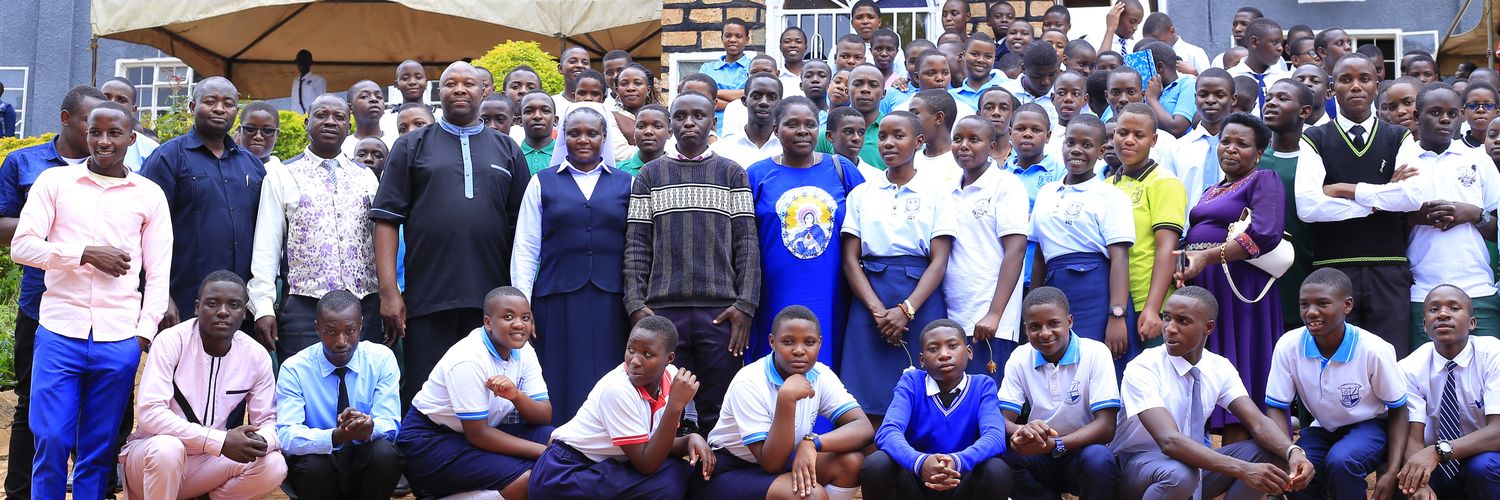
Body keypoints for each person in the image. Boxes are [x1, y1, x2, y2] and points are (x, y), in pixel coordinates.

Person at [11, 100, 169, 499]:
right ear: (85, 134)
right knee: (49, 439)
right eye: (95, 131)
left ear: (131, 139)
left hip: (118, 338)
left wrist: (143, 335)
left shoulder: (149, 195)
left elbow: (159, 272)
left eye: (114, 133)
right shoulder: (55, 183)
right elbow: (22, 247)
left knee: (99, 450)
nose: (103, 140)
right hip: (59, 330)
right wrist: (82, 252)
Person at [371, 61, 532, 407]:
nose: (459, 89)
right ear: (438, 93)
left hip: (491, 303)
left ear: (484, 91)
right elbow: (385, 220)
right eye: (450, 84)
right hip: (428, 298)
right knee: (427, 397)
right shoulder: (411, 146)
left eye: (468, 83)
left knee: (488, 398)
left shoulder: (507, 150)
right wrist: (389, 292)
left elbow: (524, 230)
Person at [625, 91, 762, 432]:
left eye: (698, 115)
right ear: (670, 126)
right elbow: (636, 246)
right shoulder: (649, 175)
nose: (689, 122)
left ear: (712, 123)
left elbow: (747, 243)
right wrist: (635, 305)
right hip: (662, 312)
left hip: (720, 314)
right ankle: (669, 476)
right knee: (662, 405)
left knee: (719, 402)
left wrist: (745, 305)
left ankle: (715, 476)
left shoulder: (733, 174)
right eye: (680, 116)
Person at [1112, 286, 1316, 499]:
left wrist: (1293, 452)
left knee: (1272, 451)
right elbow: (1169, 440)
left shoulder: (1219, 367)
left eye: (1183, 321)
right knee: (1179, 475)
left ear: (1208, 327)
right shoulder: (1143, 366)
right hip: (1136, 469)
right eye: (1167, 318)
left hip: (1190, 468)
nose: (1170, 328)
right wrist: (1243, 469)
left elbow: (1258, 422)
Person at [0, 84, 103, 499]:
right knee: (31, 404)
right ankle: (21, 491)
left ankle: (91, 488)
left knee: (93, 409)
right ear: (65, 119)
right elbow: (5, 229)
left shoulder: (110, 168)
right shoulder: (24, 163)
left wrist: (46, 235)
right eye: (89, 123)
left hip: (97, 307)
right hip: (39, 304)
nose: (99, 133)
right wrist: (55, 224)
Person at [510, 107, 631, 423]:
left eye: (592, 133)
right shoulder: (542, 182)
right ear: (563, 137)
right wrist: (524, 307)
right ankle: (559, 447)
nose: (583, 139)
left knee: (610, 373)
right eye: (574, 133)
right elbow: (526, 248)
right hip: (556, 297)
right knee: (560, 376)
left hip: (611, 298)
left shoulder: (626, 183)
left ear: (604, 138)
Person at [119, 272, 285, 500]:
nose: (223, 311)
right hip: (152, 458)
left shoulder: (255, 355)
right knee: (168, 449)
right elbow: (150, 413)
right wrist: (219, 440)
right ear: (197, 307)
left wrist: (260, 440)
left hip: (207, 465)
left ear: (244, 312)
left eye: (234, 305)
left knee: (273, 464)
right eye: (213, 303)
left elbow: (269, 421)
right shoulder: (171, 341)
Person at [1173, 112, 1286, 443]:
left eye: (1242, 144)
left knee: (1241, 366)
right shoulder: (1211, 190)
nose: (1231, 149)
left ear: (1259, 152)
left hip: (1240, 289)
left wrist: (1207, 256)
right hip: (1206, 288)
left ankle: (1247, 469)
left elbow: (1266, 233)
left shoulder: (1263, 179)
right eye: (1225, 141)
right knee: (1212, 366)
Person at [1295, 54, 1416, 356]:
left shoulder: (1399, 137)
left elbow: (1411, 198)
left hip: (1389, 267)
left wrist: (1345, 190)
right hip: (1333, 268)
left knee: (1392, 359)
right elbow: (1308, 207)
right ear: (1333, 89)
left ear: (1377, 84)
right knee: (1337, 360)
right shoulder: (1315, 137)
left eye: (1364, 78)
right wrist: (1380, 199)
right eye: (1346, 80)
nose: (1356, 86)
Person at [841, 111, 956, 424]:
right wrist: (879, 311)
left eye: (898, 136)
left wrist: (906, 309)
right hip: (870, 298)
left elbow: (940, 258)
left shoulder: (937, 192)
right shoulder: (863, 193)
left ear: (919, 142)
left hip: (920, 297)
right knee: (867, 394)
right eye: (882, 136)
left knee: (924, 388)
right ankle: (871, 465)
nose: (888, 143)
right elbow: (850, 258)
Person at [249, 94, 383, 361]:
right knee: (305, 390)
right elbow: (267, 245)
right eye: (322, 115)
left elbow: (380, 242)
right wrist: (263, 307)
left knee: (363, 391)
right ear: (307, 123)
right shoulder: (282, 175)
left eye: (339, 117)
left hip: (364, 305)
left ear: (349, 125)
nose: (330, 122)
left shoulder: (366, 177)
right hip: (304, 308)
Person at [692, 306, 872, 500]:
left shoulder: (821, 374)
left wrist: (813, 443)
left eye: (809, 342)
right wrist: (786, 398)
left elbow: (863, 427)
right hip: (727, 471)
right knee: (812, 496)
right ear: (772, 342)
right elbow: (772, 464)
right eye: (787, 342)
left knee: (851, 462)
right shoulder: (749, 381)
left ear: (819, 344)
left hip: (781, 465)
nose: (799, 351)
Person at [1264, 268, 1410, 500]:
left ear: (1347, 305)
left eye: (1323, 303)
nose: (1311, 312)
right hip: (1322, 428)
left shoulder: (1374, 349)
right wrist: (1288, 454)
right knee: (1300, 473)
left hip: (1371, 426)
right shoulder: (1289, 344)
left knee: (1342, 462)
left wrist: (1391, 470)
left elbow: (1399, 408)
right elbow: (1276, 406)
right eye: (1304, 305)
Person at [528, 316, 712, 500]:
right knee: (668, 483)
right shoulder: (617, 389)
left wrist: (689, 439)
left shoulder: (671, 377)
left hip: (606, 464)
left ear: (669, 358)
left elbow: (653, 444)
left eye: (647, 354)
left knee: (679, 471)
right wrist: (675, 406)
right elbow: (646, 464)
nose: (634, 361)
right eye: (631, 350)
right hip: (565, 473)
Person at [396, 287, 553, 499]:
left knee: (557, 440)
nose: (518, 324)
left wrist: (516, 395)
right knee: (530, 477)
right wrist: (543, 453)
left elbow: (543, 415)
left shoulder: (524, 350)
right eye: (508, 316)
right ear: (488, 322)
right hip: (430, 442)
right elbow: (478, 435)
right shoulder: (468, 358)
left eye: (525, 317)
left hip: (478, 433)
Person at [747, 97, 865, 366]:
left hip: (833, 290)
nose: (802, 130)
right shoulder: (756, 174)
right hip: (775, 289)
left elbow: (865, 226)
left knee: (826, 360)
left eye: (809, 124)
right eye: (792, 124)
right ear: (775, 130)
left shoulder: (841, 169)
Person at [142, 76, 265, 327]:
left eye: (228, 103)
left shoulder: (252, 165)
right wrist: (160, 295)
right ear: (191, 107)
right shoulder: (167, 158)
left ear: (237, 112)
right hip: (183, 300)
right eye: (210, 101)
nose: (220, 108)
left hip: (240, 306)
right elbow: (144, 231)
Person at [1030, 115, 1136, 372]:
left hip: (1096, 290)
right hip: (1055, 289)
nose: (1076, 150)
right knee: (1060, 368)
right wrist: (1032, 305)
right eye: (1070, 143)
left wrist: (1117, 315)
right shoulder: (1047, 193)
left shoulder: (1110, 196)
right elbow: (1040, 254)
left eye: (1087, 145)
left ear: (1100, 152)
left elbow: (1120, 258)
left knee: (1099, 366)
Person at [862, 320, 1012, 499]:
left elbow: (995, 437)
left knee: (996, 469)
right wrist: (920, 462)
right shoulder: (911, 383)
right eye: (933, 349)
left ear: (969, 352)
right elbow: (888, 431)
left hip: (961, 478)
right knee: (877, 463)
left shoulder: (982, 386)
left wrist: (957, 462)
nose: (944, 355)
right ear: (922, 360)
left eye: (953, 346)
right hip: (916, 478)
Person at [276, 290, 404, 500]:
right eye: (331, 331)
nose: (341, 341)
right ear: (317, 328)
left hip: (364, 460)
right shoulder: (295, 368)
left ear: (361, 325)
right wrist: (335, 436)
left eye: (350, 330)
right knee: (313, 464)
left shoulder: (381, 359)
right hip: (321, 465)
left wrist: (368, 426)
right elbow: (287, 435)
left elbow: (390, 423)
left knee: (385, 453)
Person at [997, 287, 1120, 499]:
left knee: (1099, 458)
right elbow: (1001, 419)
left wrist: (1057, 444)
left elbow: (1106, 427)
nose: (1044, 333)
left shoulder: (1095, 352)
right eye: (1035, 327)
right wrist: (1024, 431)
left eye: (1053, 323)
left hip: (1081, 450)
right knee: (1002, 457)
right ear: (1026, 329)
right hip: (1039, 452)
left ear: (1069, 321)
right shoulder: (1020, 356)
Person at [1396, 285, 1500, 499]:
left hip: (1488, 454)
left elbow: (1498, 431)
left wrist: (1438, 450)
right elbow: (1414, 437)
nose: (1443, 314)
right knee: (1406, 480)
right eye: (1434, 310)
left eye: (1454, 308)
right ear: (1424, 326)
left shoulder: (1493, 354)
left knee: (1482, 468)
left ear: (1472, 323)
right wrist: (1418, 483)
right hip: (1441, 462)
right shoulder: (1409, 368)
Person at [944, 115, 1028, 378]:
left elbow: (1016, 250)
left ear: (992, 147)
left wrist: (994, 313)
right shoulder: (946, 190)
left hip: (990, 318)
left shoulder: (1006, 185)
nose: (964, 146)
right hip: (952, 312)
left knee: (988, 397)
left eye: (974, 139)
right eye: (957, 139)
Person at [1107, 103, 1186, 355]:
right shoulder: (1105, 186)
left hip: (1148, 301)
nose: (1129, 140)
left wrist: (1153, 308)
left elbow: (1167, 248)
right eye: (1122, 133)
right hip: (1113, 301)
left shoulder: (1164, 183)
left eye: (1139, 135)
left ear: (1153, 140)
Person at [1258, 79, 1320, 336]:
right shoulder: (1255, 158)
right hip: (1260, 275)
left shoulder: (1316, 157)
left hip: (1306, 270)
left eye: (1282, 98)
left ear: (1305, 111)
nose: (1271, 103)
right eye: (1269, 97)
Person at [819, 64, 887, 169]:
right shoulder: (827, 134)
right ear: (847, 91)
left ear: (883, 93)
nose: (865, 89)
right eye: (857, 84)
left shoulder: (892, 132)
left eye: (873, 85)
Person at [713, 73, 785, 167]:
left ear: (781, 103)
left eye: (772, 97)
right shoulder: (721, 150)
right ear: (744, 101)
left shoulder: (789, 149)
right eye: (756, 96)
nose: (764, 102)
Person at [1227, 18, 1290, 117]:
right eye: (1274, 43)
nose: (1280, 48)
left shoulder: (1286, 79)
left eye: (1281, 43)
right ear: (1254, 42)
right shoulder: (1230, 78)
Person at [99, 77, 160, 171]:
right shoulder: (81, 140)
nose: (112, 103)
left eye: (121, 100)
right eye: (106, 97)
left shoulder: (151, 149)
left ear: (133, 110)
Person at [1139, 41, 1198, 138]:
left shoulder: (1188, 84)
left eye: (1143, 67)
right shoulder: (1149, 89)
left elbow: (1177, 128)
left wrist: (1152, 99)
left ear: (1159, 67)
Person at [705, 18, 753, 132]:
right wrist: (741, 101)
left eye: (738, 36)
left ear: (747, 39)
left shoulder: (754, 67)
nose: (732, 40)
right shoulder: (707, 68)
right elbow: (702, 99)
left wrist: (715, 94)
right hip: (712, 132)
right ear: (722, 38)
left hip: (744, 131)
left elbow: (754, 97)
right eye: (728, 35)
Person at [1002, 41, 1061, 128]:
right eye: (1037, 76)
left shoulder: (1063, 97)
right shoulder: (1005, 93)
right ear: (1024, 69)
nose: (1046, 81)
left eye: (1051, 75)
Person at [907, 89, 961, 183]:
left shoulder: (962, 161)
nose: (909, 120)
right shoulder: (910, 160)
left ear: (938, 118)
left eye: (915, 114)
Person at [950, 33, 1008, 113]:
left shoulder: (1006, 89)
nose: (981, 60)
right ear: (963, 55)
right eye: (975, 54)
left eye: (988, 56)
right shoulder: (952, 96)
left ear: (994, 59)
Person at [1142, 12, 1210, 76]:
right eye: (1150, 42)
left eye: (1159, 41)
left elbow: (1209, 85)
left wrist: (1194, 73)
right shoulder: (1148, 58)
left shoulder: (1195, 53)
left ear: (1172, 31)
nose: (1154, 46)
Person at [826, 106, 882, 180]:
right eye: (848, 132)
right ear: (830, 136)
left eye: (861, 133)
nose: (857, 138)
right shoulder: (819, 174)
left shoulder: (877, 178)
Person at [344, 79, 396, 157]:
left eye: (379, 97)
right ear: (350, 108)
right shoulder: (342, 147)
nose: (374, 99)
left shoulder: (396, 142)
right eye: (364, 96)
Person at [613, 64, 661, 144]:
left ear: (648, 90)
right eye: (624, 84)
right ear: (617, 90)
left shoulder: (661, 118)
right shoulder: (611, 117)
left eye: (637, 83)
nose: (630, 88)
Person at [617, 104, 667, 176]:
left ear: (669, 132)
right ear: (634, 131)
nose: (648, 131)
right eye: (641, 126)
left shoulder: (678, 169)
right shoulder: (617, 171)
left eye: (657, 126)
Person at [519, 91, 559, 174]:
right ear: (520, 120)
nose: (537, 116)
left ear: (555, 120)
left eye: (545, 111)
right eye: (529, 111)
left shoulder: (564, 156)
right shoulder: (513, 156)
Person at [1293, 64, 1334, 128]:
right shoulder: (1276, 132)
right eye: (1299, 81)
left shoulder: (1340, 133)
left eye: (1315, 81)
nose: (1306, 83)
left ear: (1328, 93)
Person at [1461, 83, 1497, 149]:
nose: (1480, 110)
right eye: (1472, 105)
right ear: (1463, 112)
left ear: (1497, 112)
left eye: (1488, 105)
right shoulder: (1455, 150)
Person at [291, 49, 327, 114]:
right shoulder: (295, 82)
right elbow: (294, 102)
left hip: (311, 119)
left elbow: (321, 103)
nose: (301, 65)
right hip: (297, 119)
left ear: (309, 63)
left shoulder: (318, 80)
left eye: (304, 62)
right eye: (299, 62)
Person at [778, 27, 808, 95]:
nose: (793, 45)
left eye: (798, 42)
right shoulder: (776, 78)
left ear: (805, 47)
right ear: (780, 47)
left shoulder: (814, 77)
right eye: (787, 42)